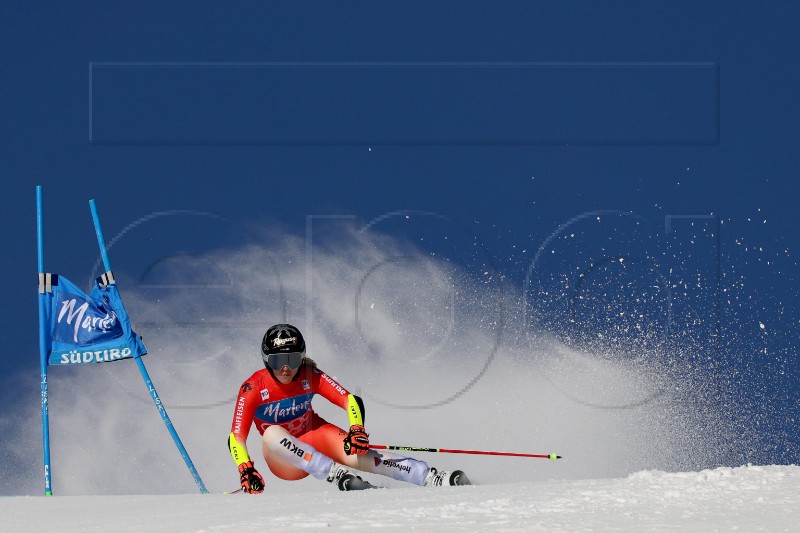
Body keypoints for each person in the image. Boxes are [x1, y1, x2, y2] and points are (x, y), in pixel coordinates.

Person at [228, 323, 470, 492]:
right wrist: (246, 469)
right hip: (285, 459)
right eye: (278, 361)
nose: (285, 369)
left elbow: (349, 399)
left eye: (291, 360)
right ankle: (335, 474)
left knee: (362, 455)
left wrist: (357, 430)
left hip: (315, 436)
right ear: (266, 360)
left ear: (301, 358)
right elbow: (236, 437)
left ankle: (430, 476)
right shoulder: (253, 388)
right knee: (271, 433)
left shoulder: (310, 375)